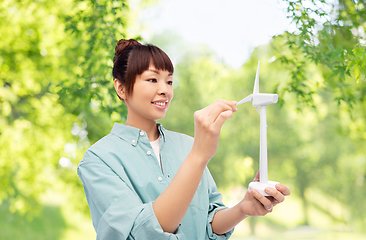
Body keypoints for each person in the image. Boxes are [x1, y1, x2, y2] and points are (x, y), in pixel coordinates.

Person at [77, 39, 290, 240]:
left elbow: (209, 221)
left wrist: (243, 208)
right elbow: (144, 233)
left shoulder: (188, 145)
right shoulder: (98, 160)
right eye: (152, 80)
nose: (165, 90)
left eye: (169, 81)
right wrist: (198, 156)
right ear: (121, 88)